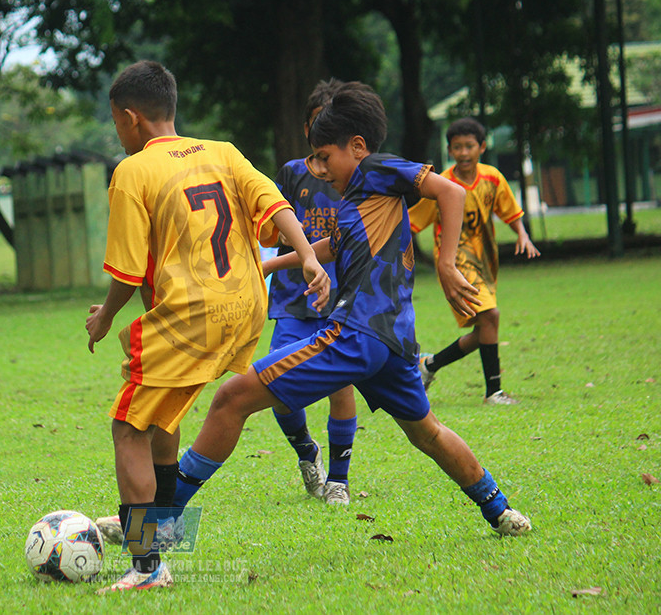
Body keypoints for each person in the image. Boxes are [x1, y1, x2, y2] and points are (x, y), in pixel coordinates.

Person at [165, 81, 532, 548]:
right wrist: (267, 265)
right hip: (393, 344)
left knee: (230, 399)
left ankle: (159, 519)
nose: (317, 168)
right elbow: (331, 247)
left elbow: (451, 194)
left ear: (357, 147)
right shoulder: (359, 200)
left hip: (358, 335)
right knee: (429, 434)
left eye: (324, 156)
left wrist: (444, 264)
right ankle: (499, 510)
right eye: (313, 158)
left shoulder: (377, 168)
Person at [86, 60, 330, 593]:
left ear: (130, 118)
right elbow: (275, 204)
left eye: (115, 121)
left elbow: (126, 271)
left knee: (128, 427)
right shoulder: (222, 151)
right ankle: (168, 530)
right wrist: (309, 257)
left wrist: (105, 316)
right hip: (245, 308)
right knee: (165, 413)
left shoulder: (132, 172)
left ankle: (147, 567)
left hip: (190, 316)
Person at [267, 79, 357, 504]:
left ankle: (338, 479)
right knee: (277, 382)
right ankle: (307, 450)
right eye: (318, 124)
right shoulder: (291, 172)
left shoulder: (359, 178)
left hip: (342, 294)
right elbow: (273, 224)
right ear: (307, 128)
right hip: (292, 295)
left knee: (342, 385)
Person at [409, 117, 541, 405]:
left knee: (485, 328)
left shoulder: (492, 178)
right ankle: (493, 393)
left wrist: (523, 235)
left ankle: (429, 365)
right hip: (455, 263)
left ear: (481, 147)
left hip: (485, 262)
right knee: (490, 317)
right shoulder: (440, 184)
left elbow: (510, 210)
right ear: (449, 150)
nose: (464, 153)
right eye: (457, 147)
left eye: (469, 146)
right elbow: (412, 222)